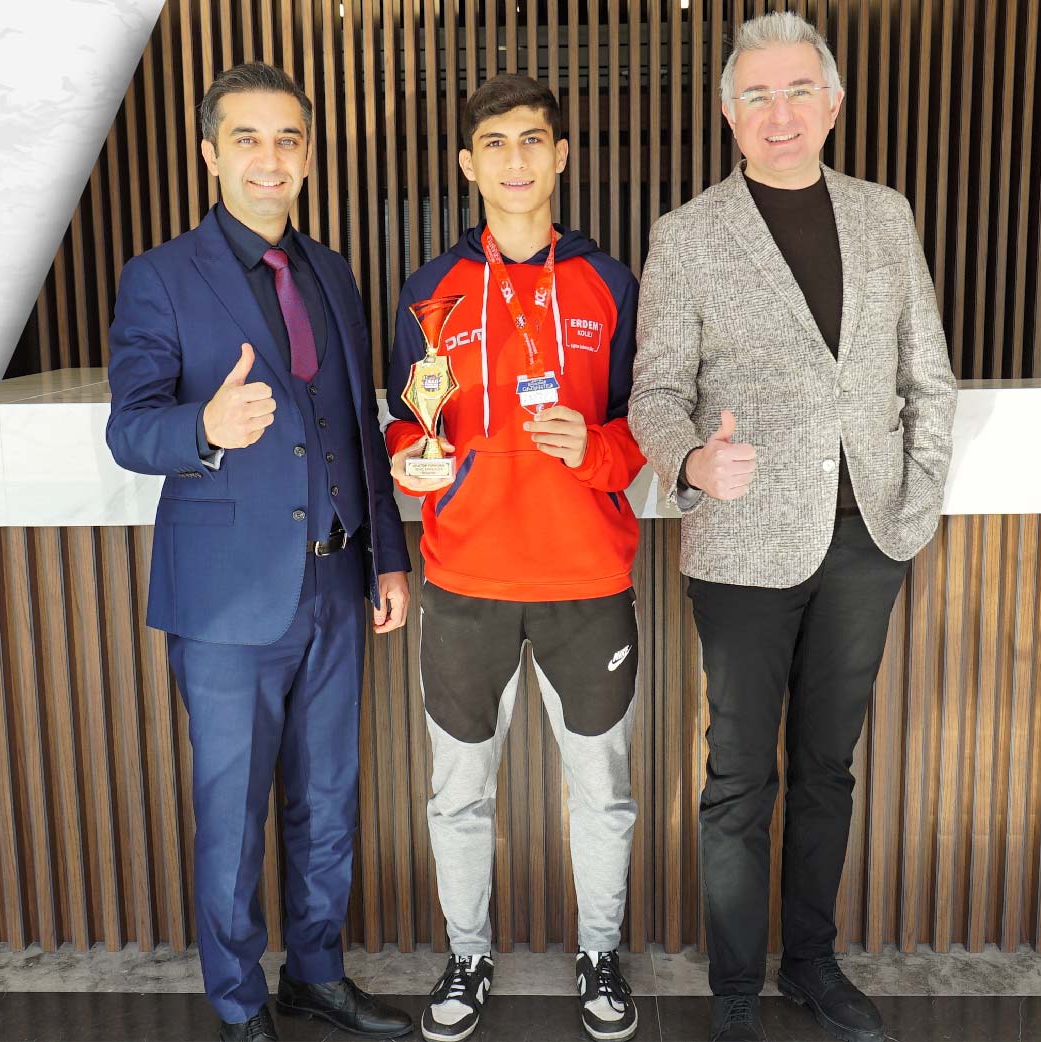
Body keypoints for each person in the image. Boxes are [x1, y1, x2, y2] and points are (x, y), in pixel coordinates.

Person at [625, 13, 956, 1042]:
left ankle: (811, 963)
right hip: (741, 544)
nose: (780, 113)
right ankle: (734, 988)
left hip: (866, 542)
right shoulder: (687, 235)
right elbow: (654, 391)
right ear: (728, 112)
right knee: (737, 777)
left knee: (826, 767)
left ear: (833, 104)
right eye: (758, 95)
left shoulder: (884, 216)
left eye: (798, 90)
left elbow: (928, 375)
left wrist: (915, 498)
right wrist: (690, 461)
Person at [104, 63, 414, 1042]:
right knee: (233, 810)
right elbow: (129, 429)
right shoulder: (161, 275)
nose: (268, 159)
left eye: (287, 139)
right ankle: (239, 1001)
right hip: (228, 597)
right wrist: (204, 425)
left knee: (327, 799)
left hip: (335, 576)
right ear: (209, 153)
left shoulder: (331, 272)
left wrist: (388, 556)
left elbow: (357, 428)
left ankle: (315, 974)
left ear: (308, 157)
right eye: (246, 138)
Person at [385, 74, 647, 1042]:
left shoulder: (609, 283)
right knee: (457, 794)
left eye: (532, 139)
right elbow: (402, 421)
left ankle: (599, 952)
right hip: (465, 584)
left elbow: (649, 420)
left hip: (587, 582)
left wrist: (599, 449)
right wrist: (407, 461)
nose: (514, 159)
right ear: (467, 163)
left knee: (602, 794)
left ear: (561, 154)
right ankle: (467, 954)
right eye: (493, 142)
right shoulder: (430, 288)